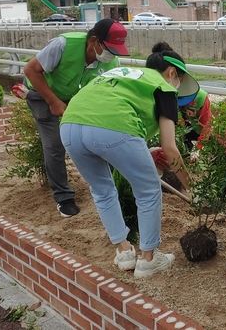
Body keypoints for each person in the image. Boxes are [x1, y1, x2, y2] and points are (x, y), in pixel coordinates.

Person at [59, 47, 200, 278]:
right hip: (114, 127)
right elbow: (170, 148)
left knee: (102, 190)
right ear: (172, 72)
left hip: (70, 126)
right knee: (148, 190)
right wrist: (193, 188)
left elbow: (109, 110)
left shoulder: (125, 73)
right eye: (179, 80)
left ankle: (124, 252)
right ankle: (149, 260)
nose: (178, 86)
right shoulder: (164, 87)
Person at [23, 19, 129, 217]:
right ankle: (63, 197)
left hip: (74, 96)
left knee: (95, 136)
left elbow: (107, 93)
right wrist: (53, 101)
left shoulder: (111, 62)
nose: (112, 55)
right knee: (55, 144)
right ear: (94, 41)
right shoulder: (63, 45)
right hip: (42, 92)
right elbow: (30, 69)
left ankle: (108, 185)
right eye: (109, 48)